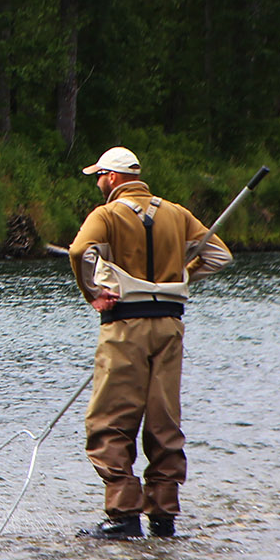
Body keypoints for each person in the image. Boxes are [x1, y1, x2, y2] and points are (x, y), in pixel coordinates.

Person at [67, 146, 232, 539]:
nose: (98, 182)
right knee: (163, 419)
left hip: (125, 327)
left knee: (109, 421)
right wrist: (182, 274)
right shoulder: (176, 213)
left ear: (113, 177)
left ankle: (124, 516)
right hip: (171, 327)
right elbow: (219, 255)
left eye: (99, 176)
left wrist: (91, 291)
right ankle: (163, 515)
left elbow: (78, 251)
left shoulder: (106, 214)